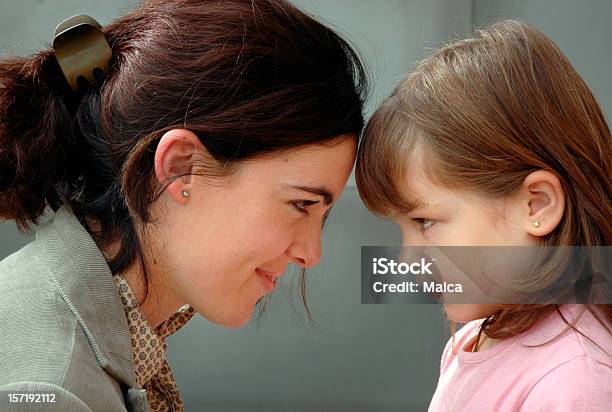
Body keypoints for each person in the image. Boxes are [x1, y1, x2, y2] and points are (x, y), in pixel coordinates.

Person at [0, 0, 367, 410]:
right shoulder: (50, 392)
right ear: (180, 167)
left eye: (323, 215)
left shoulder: (93, 339)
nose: (310, 253)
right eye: (301, 204)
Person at [355, 20, 611, 411]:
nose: (407, 260)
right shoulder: (470, 341)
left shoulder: (575, 380)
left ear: (537, 205)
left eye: (425, 222)